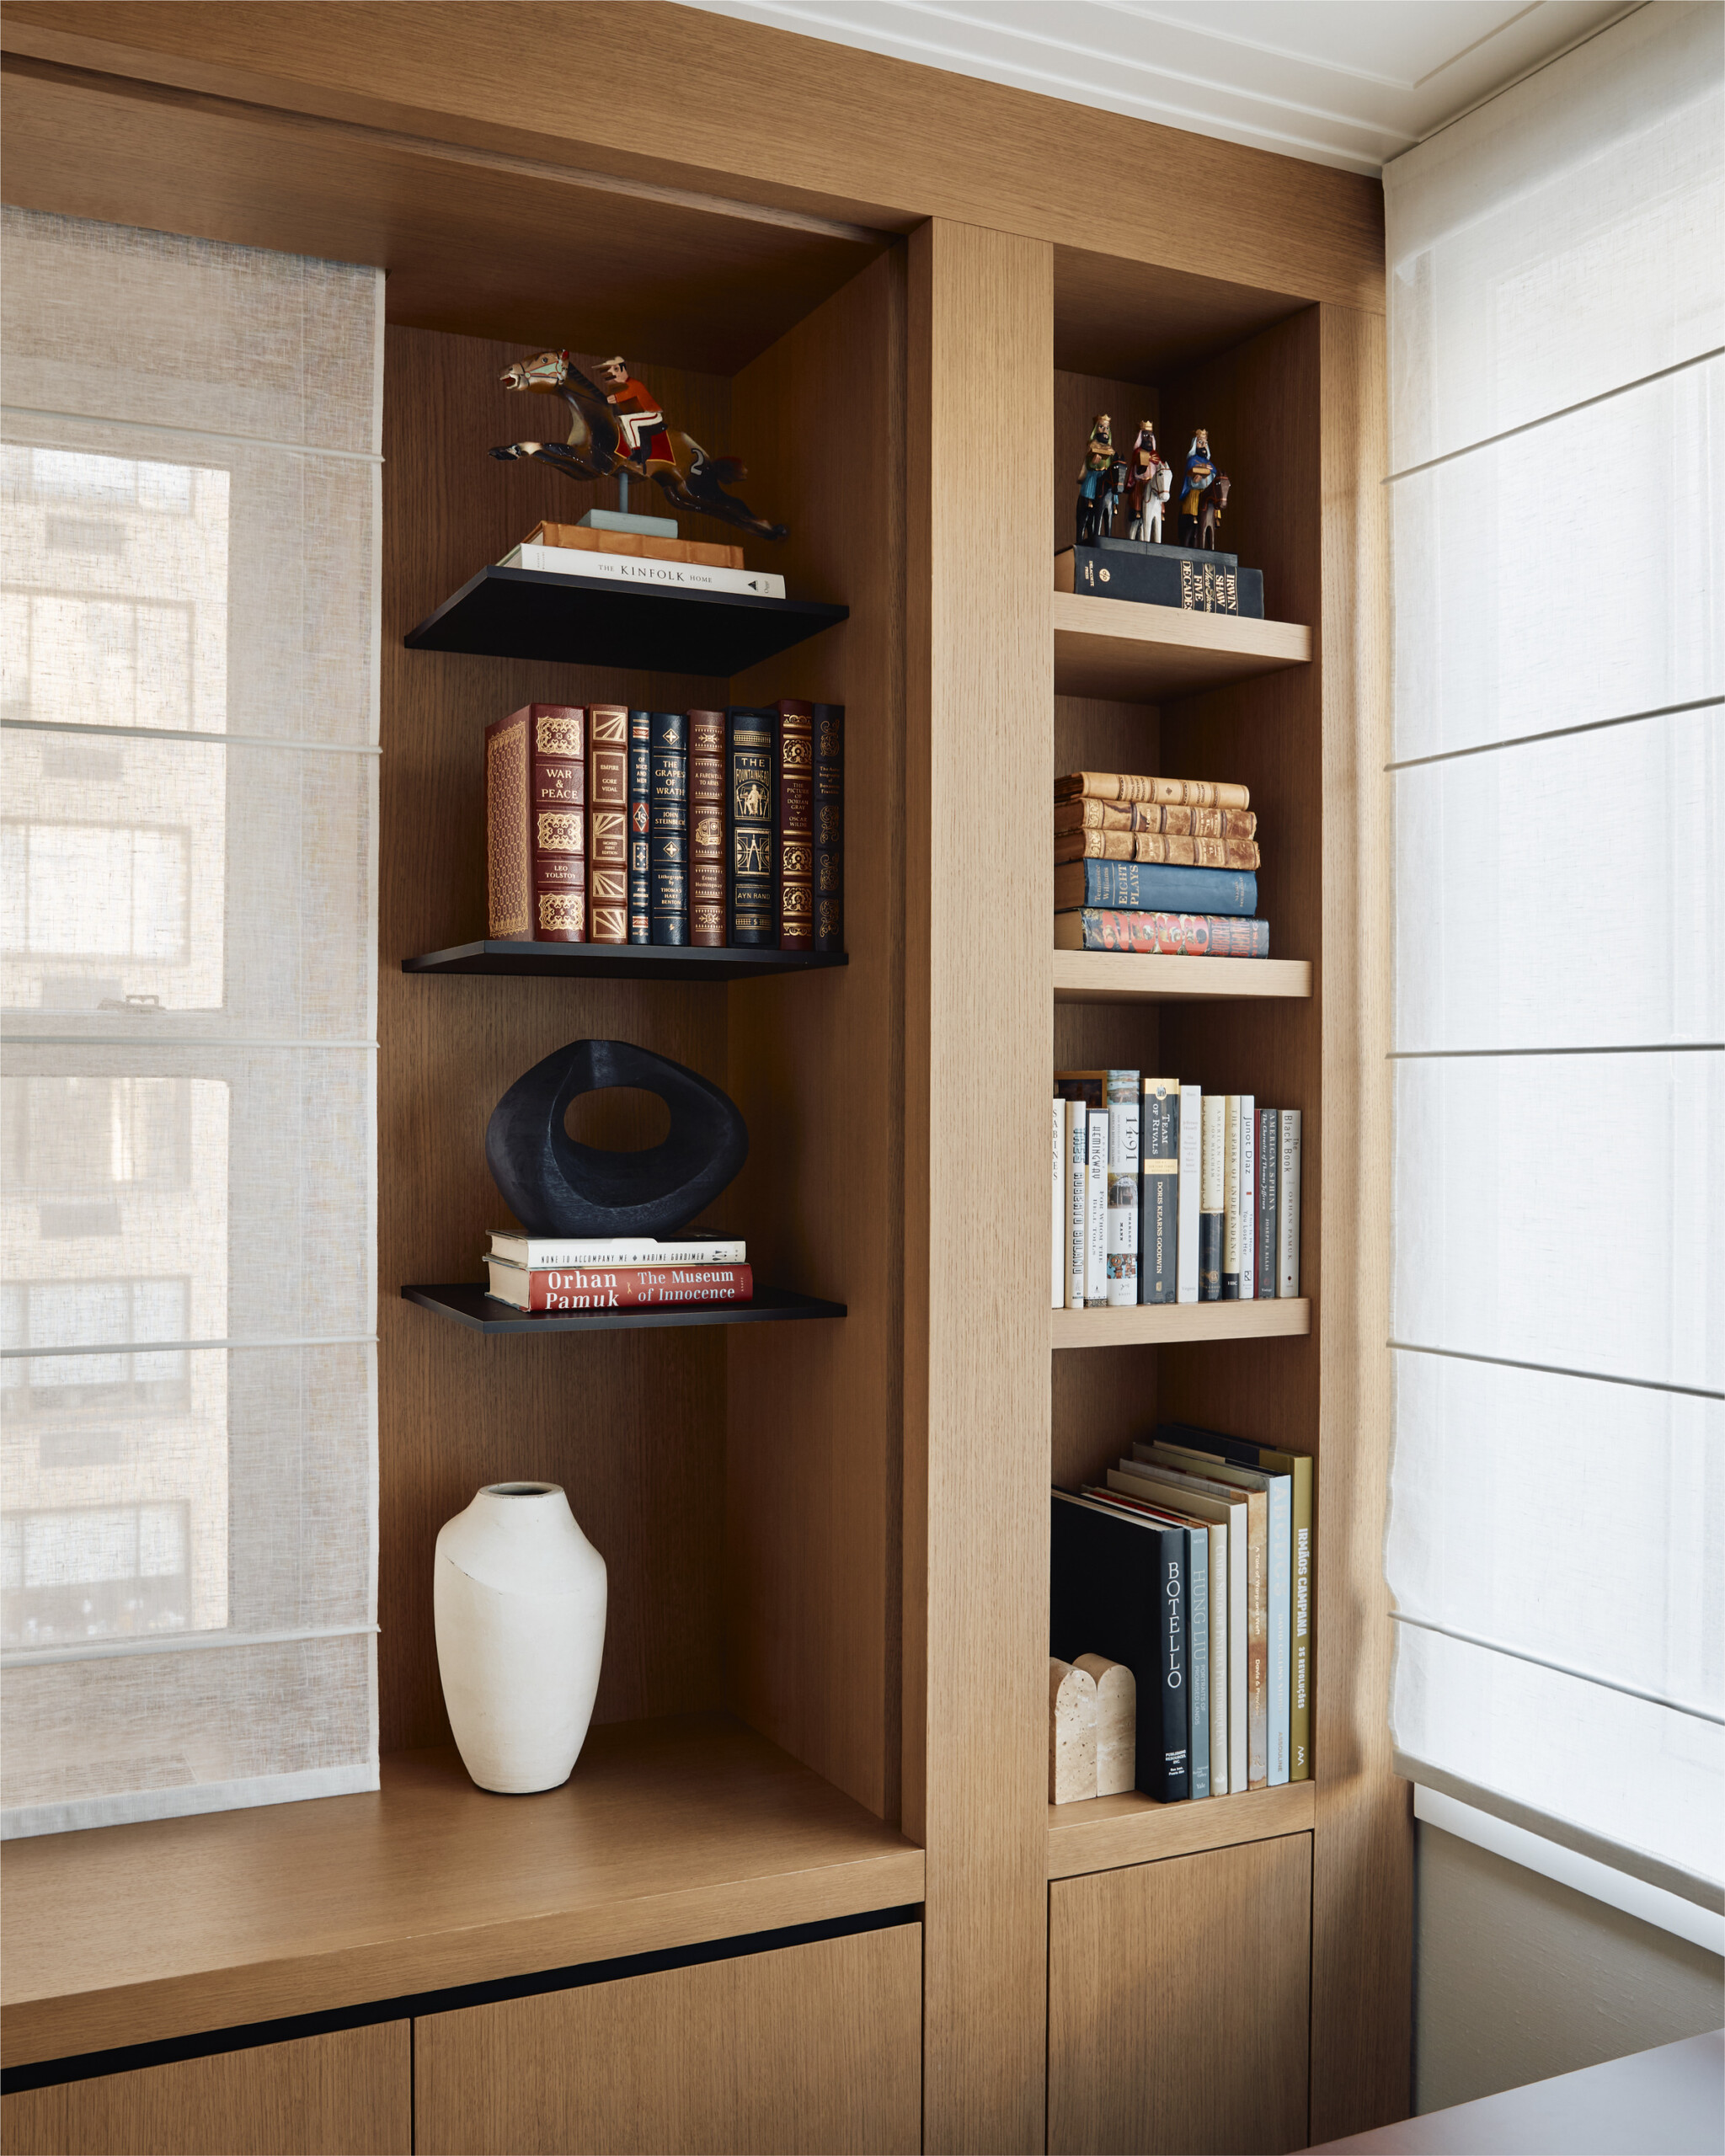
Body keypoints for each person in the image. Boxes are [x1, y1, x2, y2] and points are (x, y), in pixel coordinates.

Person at [591, 355, 676, 476]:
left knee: (630, 421)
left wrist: (610, 399)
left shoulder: (634, 384)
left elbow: (625, 395)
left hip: (652, 414)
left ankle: (637, 451)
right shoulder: (622, 386)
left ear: (623, 369)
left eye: (615, 370)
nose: (613, 375)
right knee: (624, 420)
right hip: (642, 414)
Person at [1077, 414, 1114, 544]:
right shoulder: (1092, 444)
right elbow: (1088, 464)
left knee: (1112, 487)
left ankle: (1113, 503)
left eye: (1107, 428)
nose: (1105, 430)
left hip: (1105, 474)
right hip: (1095, 473)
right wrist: (1093, 462)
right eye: (1101, 427)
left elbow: (1111, 463)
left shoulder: (1110, 448)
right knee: (1090, 483)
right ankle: (1089, 500)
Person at [1178, 430, 1216, 547]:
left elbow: (1214, 475)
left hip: (1206, 492)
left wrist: (1208, 476)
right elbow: (1189, 478)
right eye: (1200, 442)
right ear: (1195, 444)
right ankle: (1193, 516)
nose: (1203, 446)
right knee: (1194, 502)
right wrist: (1196, 479)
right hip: (1195, 492)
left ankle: (1215, 517)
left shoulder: (1209, 463)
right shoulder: (1192, 461)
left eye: (1205, 443)